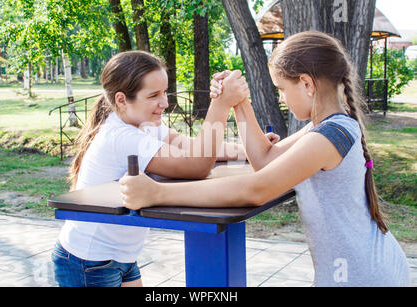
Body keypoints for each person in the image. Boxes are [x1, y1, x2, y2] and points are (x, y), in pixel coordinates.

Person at [120, 32, 410, 287]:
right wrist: (240, 102)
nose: (281, 98)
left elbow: (257, 189)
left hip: (362, 276)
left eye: (282, 89)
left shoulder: (331, 135)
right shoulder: (327, 126)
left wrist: (157, 193)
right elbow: (265, 160)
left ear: (307, 84)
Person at [52, 50, 264, 287]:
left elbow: (189, 146)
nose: (164, 103)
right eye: (154, 95)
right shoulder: (122, 136)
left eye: (164, 92)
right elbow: (197, 166)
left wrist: (254, 149)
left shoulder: (143, 123)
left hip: (120, 256)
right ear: (122, 100)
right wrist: (221, 104)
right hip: (88, 261)